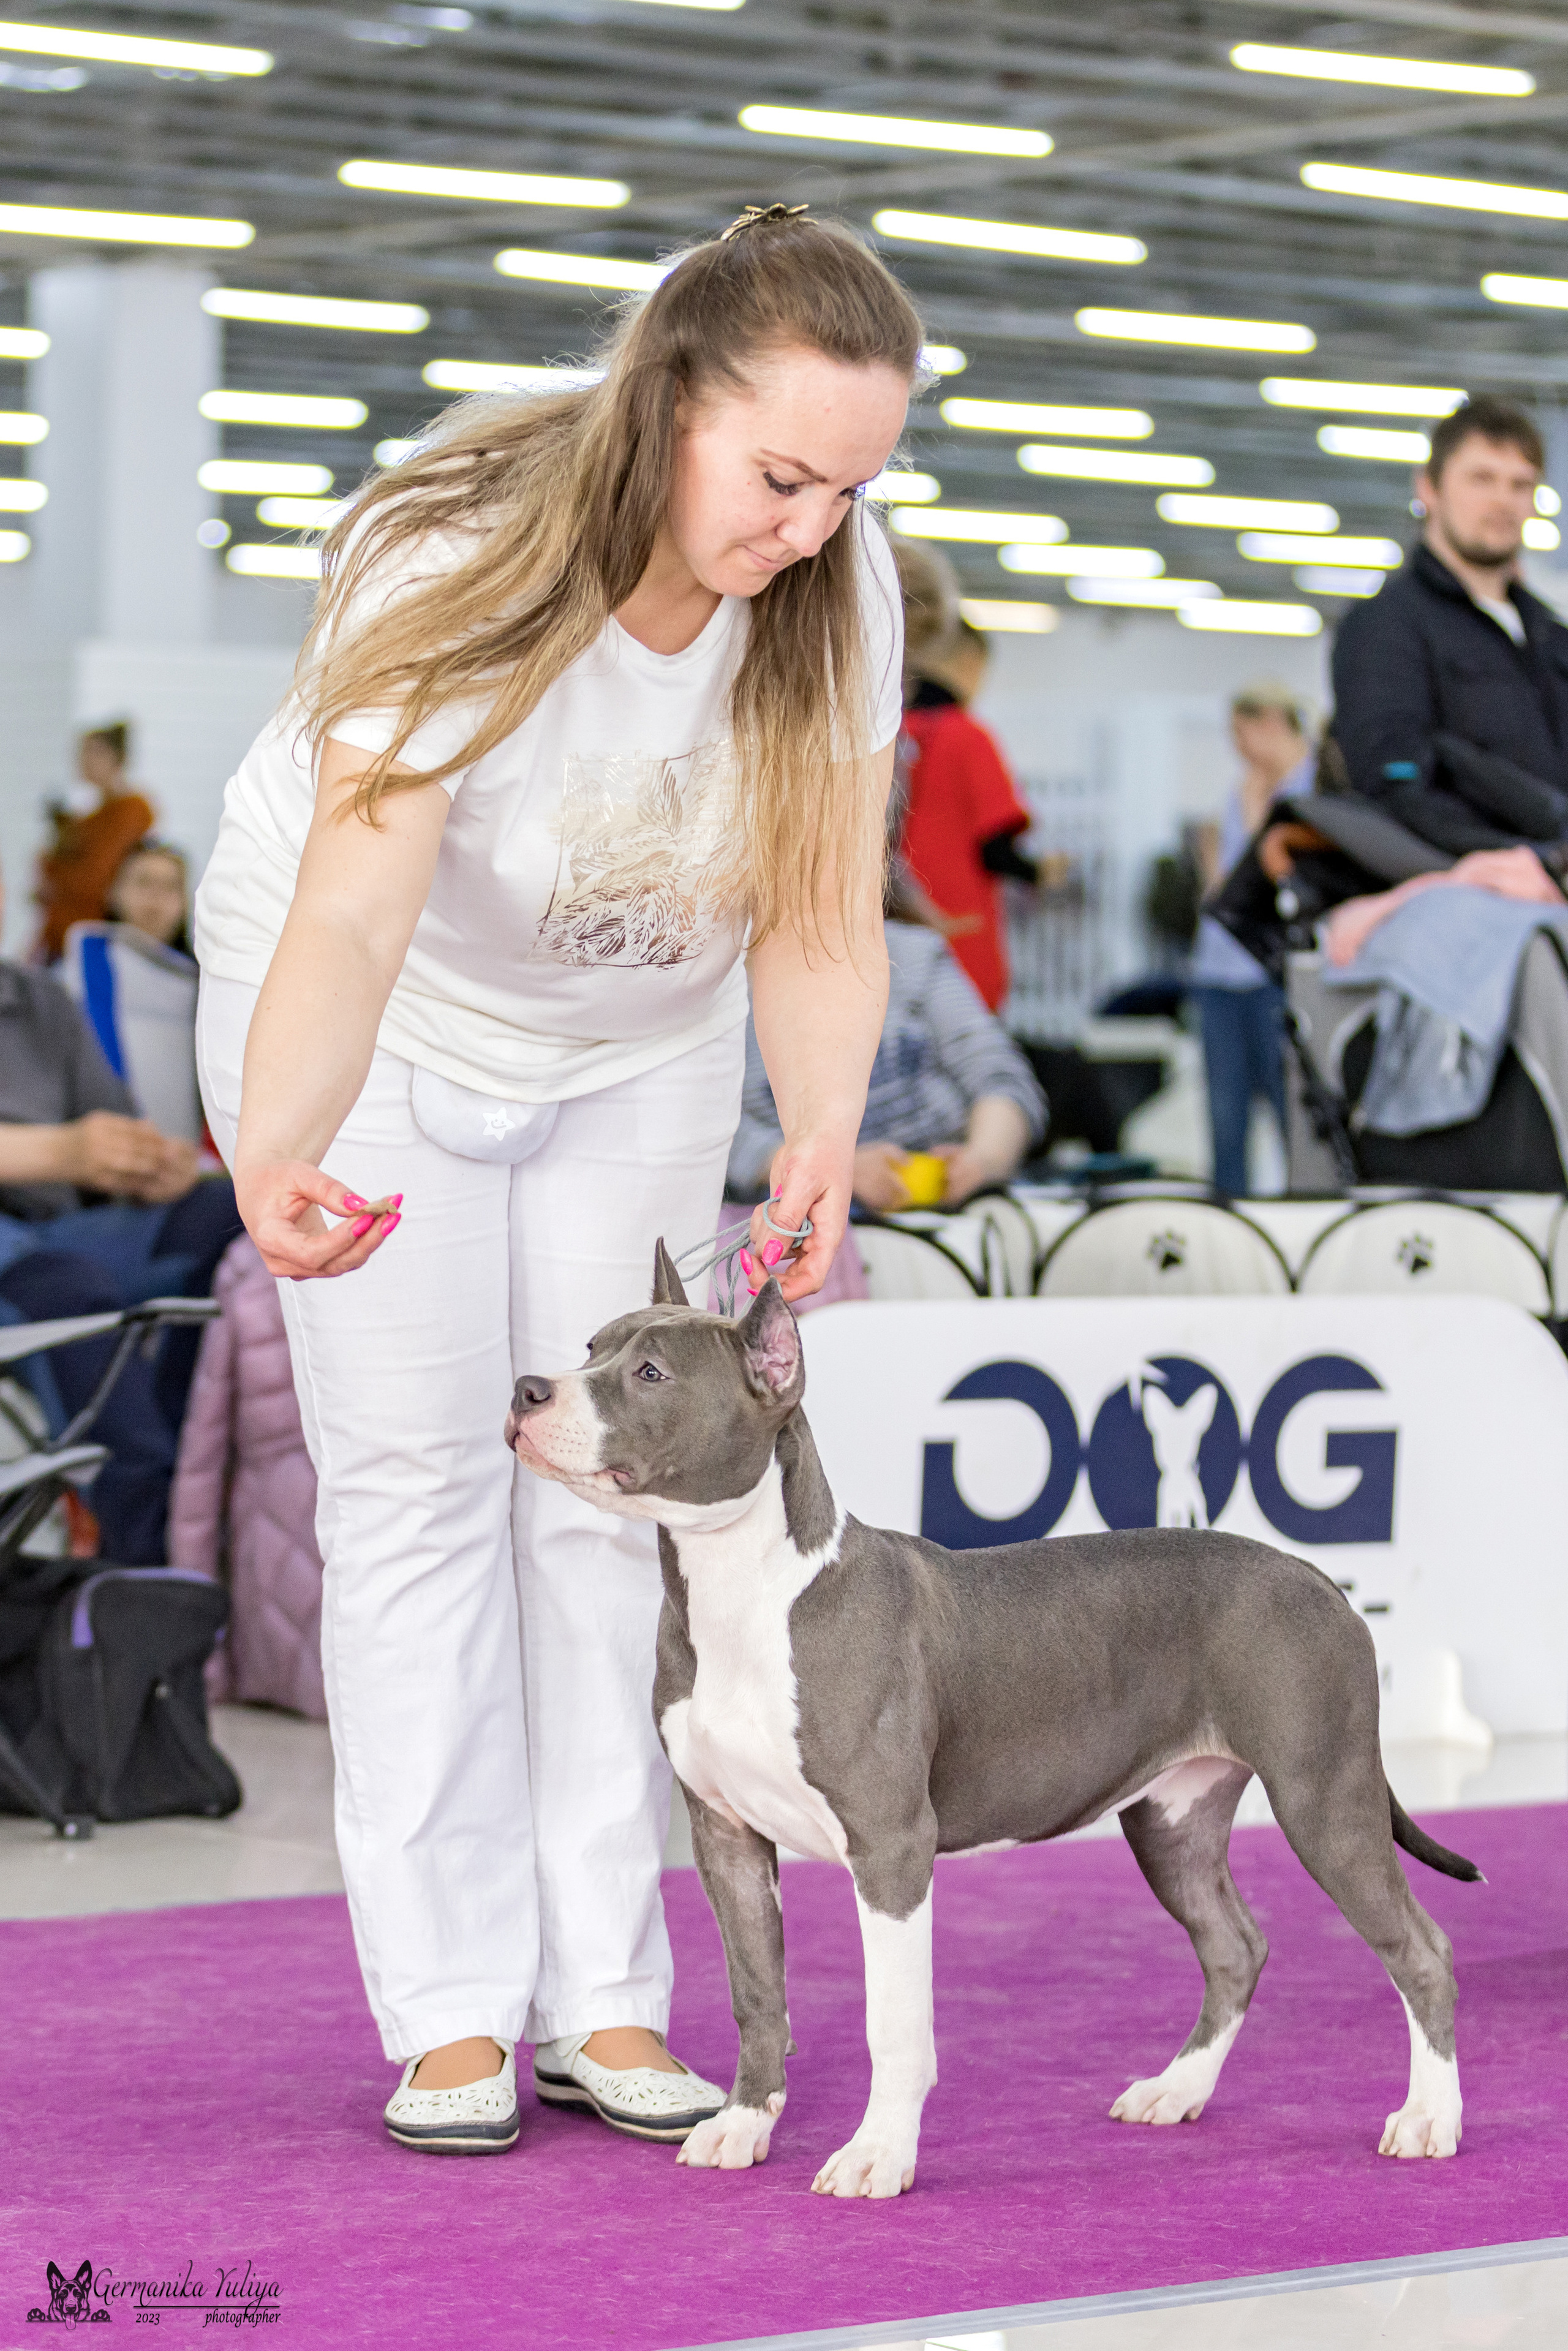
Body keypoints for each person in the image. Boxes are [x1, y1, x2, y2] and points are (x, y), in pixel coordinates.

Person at [192, 205, 918, 2155]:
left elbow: (824, 915)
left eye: (852, 488)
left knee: (624, 1493)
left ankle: (605, 1991)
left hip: (634, 1038)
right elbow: (347, 915)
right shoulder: (454, 551)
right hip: (370, 1013)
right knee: (417, 1482)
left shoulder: (837, 597)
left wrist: (823, 1131)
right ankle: (447, 2009)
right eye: (779, 477)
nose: (809, 530)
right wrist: (272, 1148)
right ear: (667, 402)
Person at [0, 861, 240, 1561]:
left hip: (64, 1229)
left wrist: (150, 1165)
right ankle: (145, 1546)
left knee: (223, 1215)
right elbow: (72, 1149)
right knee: (67, 1288)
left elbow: (114, 1124)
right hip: (31, 1256)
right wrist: (63, 1153)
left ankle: (193, 1464)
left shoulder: (36, 1000)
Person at [1332, 396, 1568, 858]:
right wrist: (1523, 859)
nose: (1503, 500)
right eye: (1482, 479)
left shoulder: (1552, 635)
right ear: (1429, 489)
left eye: (1520, 485)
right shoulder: (1385, 628)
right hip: (1466, 897)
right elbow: (1395, 787)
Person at [729, 916, 1045, 1209]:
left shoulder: (913, 954)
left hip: (960, 1209)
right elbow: (715, 1130)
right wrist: (825, 1169)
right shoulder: (723, 993)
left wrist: (984, 1160)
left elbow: (1000, 1076)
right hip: (804, 1223)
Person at [893, 543, 1060, 1010]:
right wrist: (1044, 871)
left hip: (889, 931)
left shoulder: (887, 732)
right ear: (969, 662)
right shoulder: (969, 738)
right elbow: (997, 849)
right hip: (958, 936)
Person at [1189, 684, 1313, 1196]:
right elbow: (1223, 889)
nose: (1238, 748)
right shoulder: (1242, 788)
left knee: (1292, 1115)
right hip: (1219, 974)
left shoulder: (1310, 787)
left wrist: (1255, 808)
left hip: (1275, 976)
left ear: (1269, 724)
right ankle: (1229, 1221)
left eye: (1241, 734)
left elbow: (1268, 876)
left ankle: (1300, 1217)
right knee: (1226, 1116)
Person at [32, 724, 156, 963]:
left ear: (118, 759)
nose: (86, 760)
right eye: (83, 752)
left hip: (97, 932)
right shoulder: (88, 817)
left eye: (96, 752)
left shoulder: (130, 811)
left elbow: (99, 877)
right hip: (62, 933)